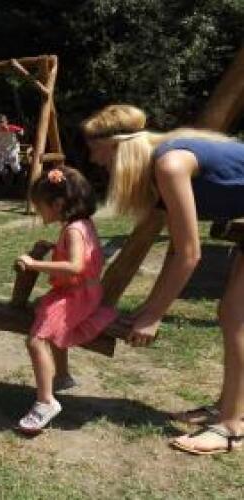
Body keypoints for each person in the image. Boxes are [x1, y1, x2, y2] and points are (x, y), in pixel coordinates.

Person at [83, 103, 244, 454]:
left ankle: (231, 427)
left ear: (118, 147)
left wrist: (154, 316)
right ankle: (228, 407)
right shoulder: (162, 167)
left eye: (97, 151)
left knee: (235, 316)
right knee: (233, 314)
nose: (95, 161)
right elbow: (175, 252)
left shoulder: (169, 164)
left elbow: (190, 254)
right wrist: (147, 309)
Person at [15, 166, 118, 434]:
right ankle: (62, 376)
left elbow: (74, 266)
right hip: (81, 291)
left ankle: (45, 402)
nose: (38, 212)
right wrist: (53, 248)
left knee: (36, 340)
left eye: (40, 206)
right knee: (52, 325)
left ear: (58, 204)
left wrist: (34, 264)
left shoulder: (73, 230)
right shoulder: (80, 225)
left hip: (77, 295)